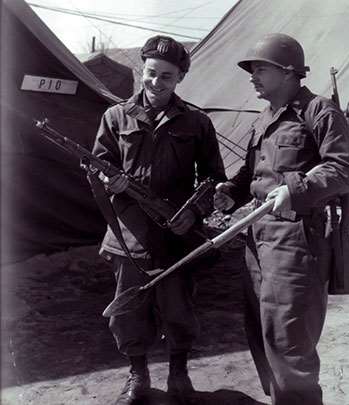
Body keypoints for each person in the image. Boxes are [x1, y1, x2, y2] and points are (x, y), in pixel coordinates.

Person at [214, 33, 349, 405]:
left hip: (297, 243)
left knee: (289, 342)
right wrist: (231, 191)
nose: (252, 77)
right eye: (252, 70)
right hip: (257, 243)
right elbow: (253, 174)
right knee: (263, 335)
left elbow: (342, 169)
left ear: (290, 72)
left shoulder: (320, 111)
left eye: (260, 69)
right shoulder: (264, 118)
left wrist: (296, 188)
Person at [92, 35, 226, 404]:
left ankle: (178, 370)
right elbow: (99, 165)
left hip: (176, 235)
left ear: (180, 77)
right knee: (127, 311)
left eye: (166, 76)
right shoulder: (115, 116)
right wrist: (109, 180)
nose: (156, 82)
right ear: (142, 70)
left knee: (179, 307)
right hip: (129, 235)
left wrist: (195, 213)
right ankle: (138, 374)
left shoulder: (197, 122)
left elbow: (213, 177)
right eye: (150, 73)